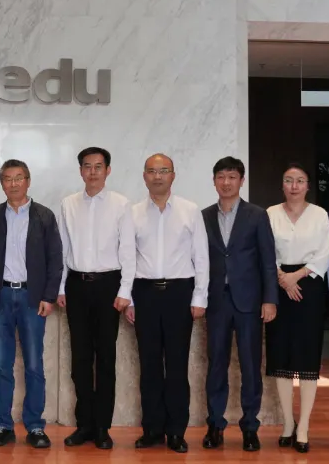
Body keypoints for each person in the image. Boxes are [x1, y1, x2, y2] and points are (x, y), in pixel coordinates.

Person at [0, 159, 62, 449]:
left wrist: (49, 296)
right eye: (8, 179)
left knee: (34, 365)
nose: (13, 184)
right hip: (0, 297)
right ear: (2, 183)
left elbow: (55, 259)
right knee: (3, 365)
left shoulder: (44, 216)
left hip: (32, 298)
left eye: (19, 178)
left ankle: (35, 426)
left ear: (28, 181)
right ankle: (3, 425)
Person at [127, 153, 209, 454]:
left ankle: (176, 431)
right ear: (144, 176)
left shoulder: (190, 210)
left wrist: (200, 297)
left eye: (163, 171)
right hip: (145, 293)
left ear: (173, 175)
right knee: (149, 365)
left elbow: (201, 257)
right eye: (152, 171)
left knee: (176, 365)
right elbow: (128, 258)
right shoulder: (132, 213)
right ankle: (152, 430)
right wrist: (129, 298)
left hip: (179, 294)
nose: (157, 176)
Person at [57, 147, 134, 450]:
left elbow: (128, 251)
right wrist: (61, 287)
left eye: (98, 166)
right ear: (80, 171)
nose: (92, 172)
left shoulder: (121, 204)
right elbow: (63, 249)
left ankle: (102, 427)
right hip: (76, 286)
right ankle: (84, 424)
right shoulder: (68, 204)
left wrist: (124, 291)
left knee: (105, 358)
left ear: (107, 170)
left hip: (108, 287)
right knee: (80, 359)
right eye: (87, 166)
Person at [201, 156, 277, 452]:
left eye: (232, 176)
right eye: (221, 176)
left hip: (249, 303)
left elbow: (268, 261)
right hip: (216, 301)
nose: (226, 182)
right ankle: (215, 424)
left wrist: (269, 299)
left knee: (250, 366)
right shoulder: (204, 216)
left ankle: (249, 427)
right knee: (216, 365)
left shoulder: (256, 215)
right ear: (214, 181)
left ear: (241, 181)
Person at [265, 164, 329, 453]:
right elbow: (265, 251)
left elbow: (325, 252)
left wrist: (297, 276)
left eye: (300, 181)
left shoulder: (319, 214)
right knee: (280, 354)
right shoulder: (270, 213)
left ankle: (303, 425)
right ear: (282, 185)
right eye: (289, 180)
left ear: (307, 186)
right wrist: (283, 278)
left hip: (309, 287)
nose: (294, 186)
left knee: (307, 356)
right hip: (278, 286)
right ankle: (288, 422)